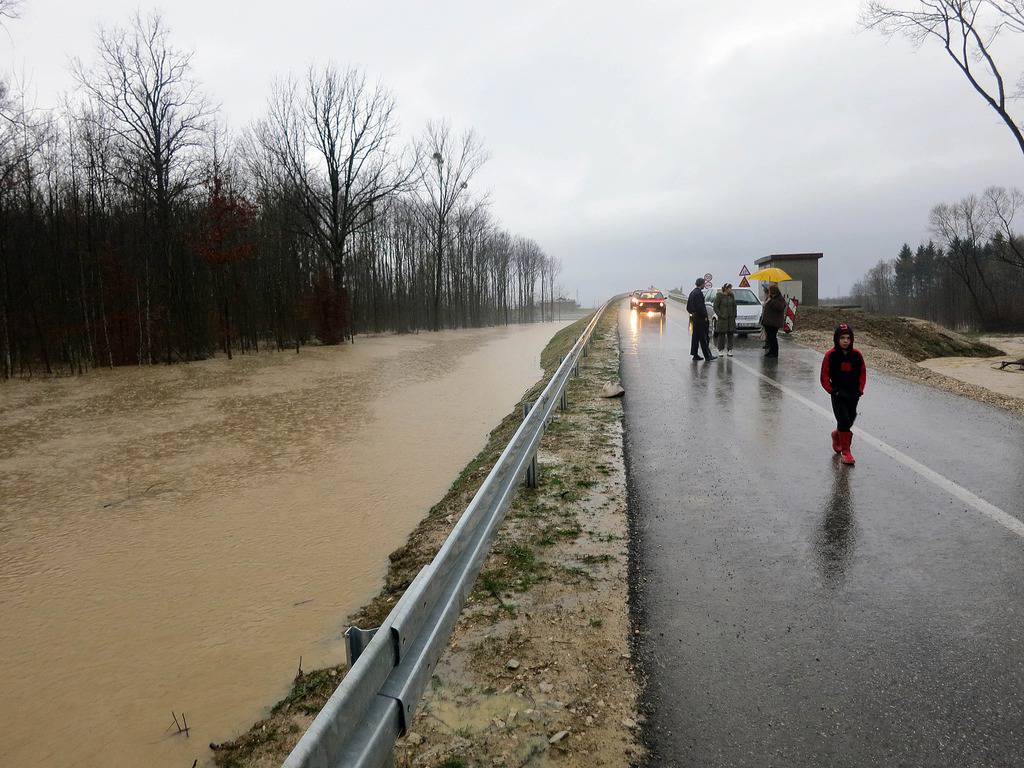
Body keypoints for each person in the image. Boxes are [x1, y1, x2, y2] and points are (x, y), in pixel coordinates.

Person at [820, 322, 867, 465]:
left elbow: (862, 373)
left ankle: (837, 435)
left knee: (850, 419)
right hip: (838, 394)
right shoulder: (831, 355)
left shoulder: (857, 355)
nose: (846, 341)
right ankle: (846, 452)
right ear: (837, 339)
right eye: (842, 338)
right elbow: (824, 376)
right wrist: (832, 390)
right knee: (844, 420)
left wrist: (860, 390)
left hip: (853, 394)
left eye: (848, 338)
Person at [686, 277, 715, 361]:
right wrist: (705, 316)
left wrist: (693, 313)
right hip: (700, 319)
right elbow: (700, 307)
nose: (704, 285)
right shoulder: (698, 293)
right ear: (701, 284)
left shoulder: (692, 292)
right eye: (703, 283)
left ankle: (695, 354)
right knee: (703, 338)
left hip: (695, 318)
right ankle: (707, 356)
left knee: (695, 337)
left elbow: (688, 307)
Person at [760, 284, 786, 357]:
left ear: (774, 291)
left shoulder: (779, 298)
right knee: (770, 338)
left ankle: (775, 353)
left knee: (773, 337)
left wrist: (771, 301)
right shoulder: (770, 298)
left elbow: (780, 307)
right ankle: (771, 351)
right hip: (768, 322)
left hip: (774, 323)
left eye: (770, 291)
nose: (769, 292)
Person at [712, 283, 737, 356]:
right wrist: (720, 315)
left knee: (730, 334)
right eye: (730, 288)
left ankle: (730, 350)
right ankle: (720, 350)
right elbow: (715, 307)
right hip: (723, 319)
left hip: (731, 319)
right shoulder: (719, 296)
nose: (731, 290)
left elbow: (734, 306)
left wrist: (734, 315)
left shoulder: (731, 296)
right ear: (726, 289)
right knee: (721, 335)